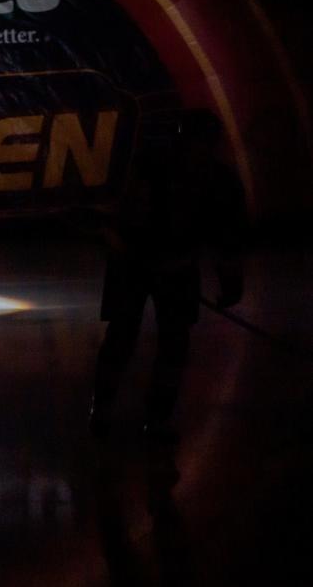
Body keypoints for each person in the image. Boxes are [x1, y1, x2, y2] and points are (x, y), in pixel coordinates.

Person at [89, 108, 247, 443]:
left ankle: (155, 416)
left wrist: (230, 280)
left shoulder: (219, 182)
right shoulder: (152, 167)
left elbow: (228, 238)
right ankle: (103, 408)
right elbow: (123, 220)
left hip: (174, 264)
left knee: (171, 342)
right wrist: (141, 259)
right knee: (123, 335)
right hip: (134, 261)